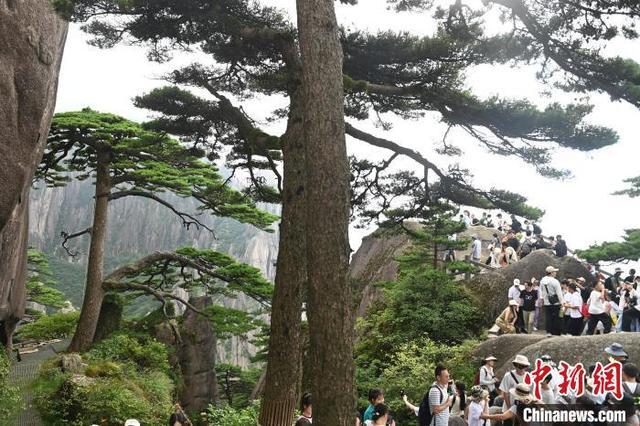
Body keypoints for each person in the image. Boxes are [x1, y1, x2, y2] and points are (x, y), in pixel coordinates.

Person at [498, 355, 530, 422]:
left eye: (524, 366)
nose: (521, 369)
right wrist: (510, 408)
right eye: (520, 366)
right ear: (516, 365)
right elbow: (505, 393)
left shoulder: (528, 376)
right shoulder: (508, 376)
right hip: (509, 407)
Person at [540, 266, 565, 336]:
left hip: (547, 303)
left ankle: (548, 332)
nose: (555, 273)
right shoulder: (555, 281)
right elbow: (559, 293)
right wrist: (562, 302)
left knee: (548, 317)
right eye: (554, 272)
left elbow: (541, 291)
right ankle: (557, 332)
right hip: (556, 302)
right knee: (557, 317)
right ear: (551, 273)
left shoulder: (542, 281)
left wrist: (543, 300)